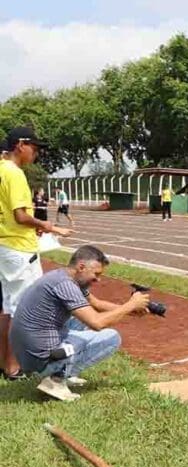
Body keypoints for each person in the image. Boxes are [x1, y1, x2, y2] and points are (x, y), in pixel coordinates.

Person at [10, 245, 150, 401]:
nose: (98, 279)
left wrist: (131, 311)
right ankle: (57, 377)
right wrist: (130, 305)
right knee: (112, 337)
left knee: (78, 317)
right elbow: (96, 322)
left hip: (27, 353)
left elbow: (95, 303)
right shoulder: (66, 285)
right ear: (81, 267)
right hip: (38, 358)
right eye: (96, 274)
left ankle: (61, 370)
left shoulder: (62, 276)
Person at [0, 127, 73, 381]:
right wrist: (50, 227)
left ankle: (8, 363)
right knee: (25, 307)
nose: (37, 153)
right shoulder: (15, 173)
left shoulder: (0, 169)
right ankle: (16, 366)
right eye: (34, 147)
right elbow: (21, 216)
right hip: (19, 248)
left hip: (6, 246)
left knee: (9, 306)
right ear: (20, 145)